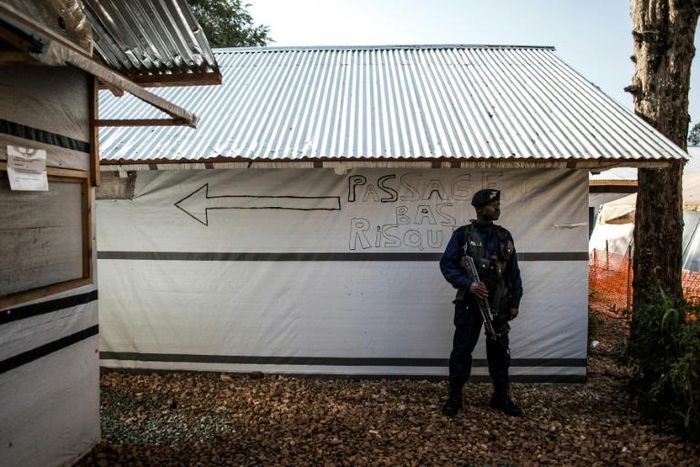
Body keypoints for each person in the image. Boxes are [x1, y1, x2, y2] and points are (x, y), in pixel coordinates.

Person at [439, 188, 523, 417]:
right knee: (462, 350)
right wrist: (469, 284)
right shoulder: (463, 235)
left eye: (498, 204)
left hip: (499, 303)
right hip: (469, 302)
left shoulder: (504, 236)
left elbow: (513, 272)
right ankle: (455, 397)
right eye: (492, 204)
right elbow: (447, 264)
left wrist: (515, 301)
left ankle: (501, 396)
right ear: (478, 208)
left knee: (500, 351)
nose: (497, 208)